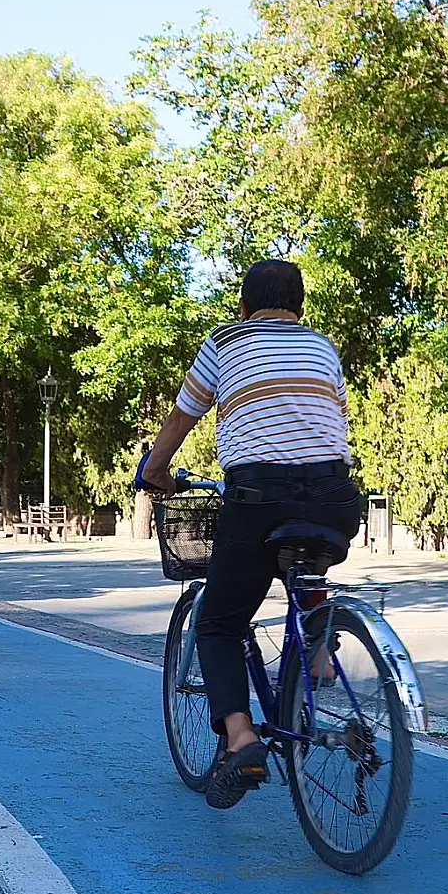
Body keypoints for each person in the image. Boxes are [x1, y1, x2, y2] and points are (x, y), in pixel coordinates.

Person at [139, 259, 362, 809]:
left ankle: (241, 739)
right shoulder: (323, 348)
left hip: (258, 499)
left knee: (219, 620)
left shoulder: (224, 343)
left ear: (243, 306)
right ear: (299, 307)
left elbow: (181, 420)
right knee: (308, 561)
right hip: (336, 497)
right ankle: (317, 649)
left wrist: (154, 471)